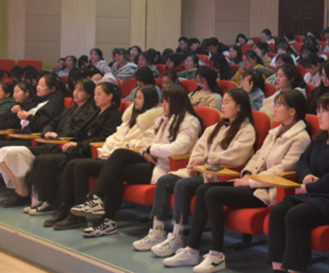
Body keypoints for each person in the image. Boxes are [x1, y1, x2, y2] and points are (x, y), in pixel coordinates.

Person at [165, 91, 311, 270]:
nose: (274, 109)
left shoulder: (300, 138)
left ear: (292, 111)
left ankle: (216, 255)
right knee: (204, 189)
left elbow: (283, 170)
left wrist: (252, 181)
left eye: (279, 105)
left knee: (213, 193)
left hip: (267, 190)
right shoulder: (276, 131)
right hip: (253, 182)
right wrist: (247, 173)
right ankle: (192, 249)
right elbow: (257, 156)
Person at [132, 88, 253, 259]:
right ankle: (157, 232)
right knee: (165, 181)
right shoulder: (216, 127)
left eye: (227, 102)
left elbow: (235, 156)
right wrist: (194, 163)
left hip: (220, 176)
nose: (222, 105)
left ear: (239, 107)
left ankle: (177, 237)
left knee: (183, 185)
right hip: (203, 173)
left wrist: (205, 160)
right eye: (223, 102)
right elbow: (198, 149)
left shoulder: (246, 130)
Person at [70, 84, 201, 237]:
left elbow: (176, 149)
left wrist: (150, 149)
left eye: (166, 101)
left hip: (168, 167)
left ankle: (105, 217)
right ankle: (98, 204)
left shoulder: (190, 122)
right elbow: (149, 145)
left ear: (176, 102)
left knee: (116, 170)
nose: (163, 105)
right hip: (154, 161)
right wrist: (145, 151)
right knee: (119, 155)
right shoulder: (164, 119)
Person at [268, 93, 329, 272]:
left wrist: (306, 188)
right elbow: (302, 161)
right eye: (318, 111)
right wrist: (306, 175)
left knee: (295, 215)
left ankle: (295, 269)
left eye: (324, 111)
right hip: (316, 196)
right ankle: (278, 268)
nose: (319, 116)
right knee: (278, 211)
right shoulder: (320, 137)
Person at [46, 86, 162, 230]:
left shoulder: (154, 120)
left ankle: (86, 212)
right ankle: (67, 210)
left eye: (139, 98)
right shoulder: (131, 117)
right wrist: (111, 148)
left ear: (149, 100)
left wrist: (120, 146)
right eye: (135, 97)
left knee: (82, 166)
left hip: (133, 158)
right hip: (113, 156)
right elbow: (114, 137)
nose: (135, 101)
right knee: (72, 164)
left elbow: (145, 143)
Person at [25, 82, 122, 216]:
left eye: (99, 94)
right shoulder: (97, 113)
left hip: (88, 152)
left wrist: (77, 145)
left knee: (50, 161)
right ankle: (47, 200)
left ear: (110, 96)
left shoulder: (113, 115)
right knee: (42, 159)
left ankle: (55, 204)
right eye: (95, 94)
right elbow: (78, 133)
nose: (95, 98)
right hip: (78, 147)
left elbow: (103, 139)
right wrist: (72, 143)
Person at [0, 75, 73, 207]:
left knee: (5, 151)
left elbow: (43, 124)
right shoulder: (39, 101)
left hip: (36, 140)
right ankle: (19, 190)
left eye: (42, 85)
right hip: (25, 136)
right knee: (3, 152)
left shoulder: (54, 102)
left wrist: (29, 117)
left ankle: (22, 191)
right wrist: (18, 109)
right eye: (38, 84)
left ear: (52, 89)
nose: (38, 87)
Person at [0, 81, 36, 148]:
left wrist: (13, 112)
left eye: (17, 92)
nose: (14, 95)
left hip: (15, 136)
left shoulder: (29, 105)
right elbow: (3, 119)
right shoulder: (16, 104)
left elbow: (13, 123)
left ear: (27, 92)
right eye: (14, 92)